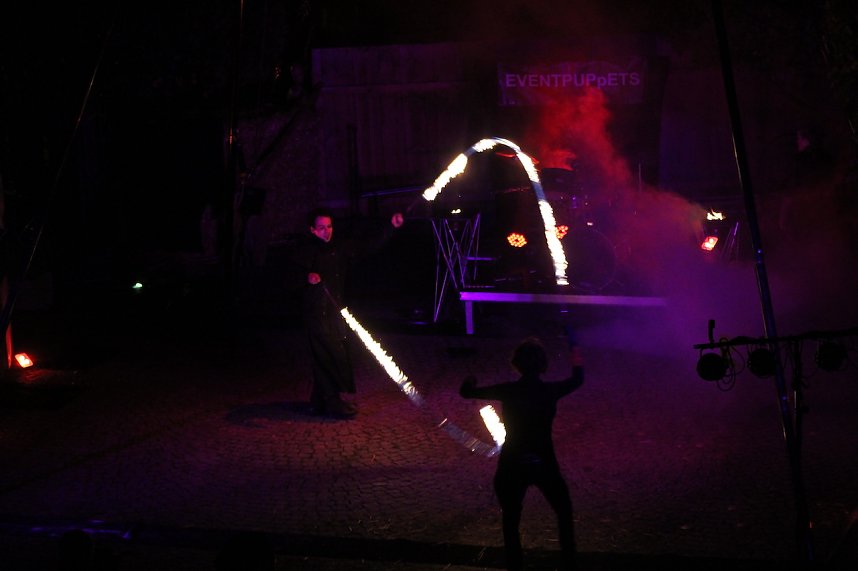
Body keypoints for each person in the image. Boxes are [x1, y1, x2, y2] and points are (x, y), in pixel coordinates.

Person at [460, 334, 584, 571]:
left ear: (517, 364)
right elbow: (578, 379)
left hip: (512, 461)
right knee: (563, 511)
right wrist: (575, 348)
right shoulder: (550, 390)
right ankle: (569, 562)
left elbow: (466, 392)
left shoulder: (508, 390)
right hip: (544, 460)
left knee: (510, 519)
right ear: (542, 364)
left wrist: (470, 378)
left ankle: (515, 565)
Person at [291, 207, 404, 418]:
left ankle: (318, 402)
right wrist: (307, 277)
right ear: (313, 230)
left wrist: (390, 226)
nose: (326, 231)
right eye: (321, 228)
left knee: (330, 355)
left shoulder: (340, 247)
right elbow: (290, 277)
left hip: (335, 312)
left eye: (329, 226)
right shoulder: (306, 251)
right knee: (329, 355)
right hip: (316, 314)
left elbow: (368, 246)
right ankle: (332, 403)